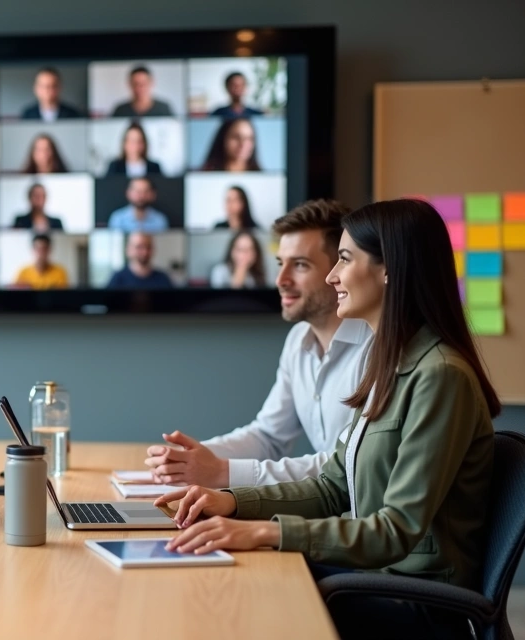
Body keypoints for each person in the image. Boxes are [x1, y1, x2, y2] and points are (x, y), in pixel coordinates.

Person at [157, 199, 498, 638]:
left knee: (244, 596)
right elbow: (333, 485)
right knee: (224, 574)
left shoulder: (440, 377)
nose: (333, 275)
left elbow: (396, 530)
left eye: (344, 258)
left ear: (389, 268)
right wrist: (233, 502)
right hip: (376, 575)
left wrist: (265, 532)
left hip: (419, 601)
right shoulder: (391, 365)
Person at [145, 200, 370, 488]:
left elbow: (350, 464)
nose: (281, 280)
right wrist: (190, 457)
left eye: (300, 265)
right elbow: (269, 436)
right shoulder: (298, 340)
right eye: (280, 263)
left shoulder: (377, 346)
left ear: (338, 271)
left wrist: (221, 472)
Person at [106, 231, 172, 289]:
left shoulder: (163, 279)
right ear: (129, 250)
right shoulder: (117, 279)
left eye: (148, 247)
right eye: (139, 247)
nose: (145, 252)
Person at [110, 66, 175, 117]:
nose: (139, 88)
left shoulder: (163, 109)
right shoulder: (120, 110)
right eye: (135, 84)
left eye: (143, 84)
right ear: (129, 84)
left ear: (151, 83)